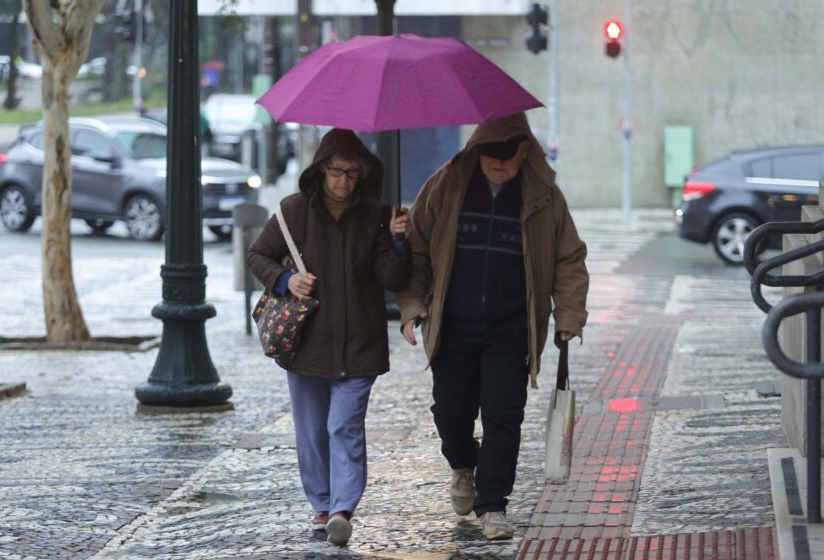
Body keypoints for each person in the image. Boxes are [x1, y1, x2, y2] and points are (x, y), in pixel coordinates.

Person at [396, 112, 589, 540]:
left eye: (508, 156)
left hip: (511, 328)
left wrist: (568, 316)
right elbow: (418, 252)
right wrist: (413, 306)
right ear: (476, 150)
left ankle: (493, 505)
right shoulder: (445, 186)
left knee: (504, 416)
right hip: (452, 324)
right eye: (490, 156)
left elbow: (569, 258)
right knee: (451, 415)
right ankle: (463, 465)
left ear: (525, 151)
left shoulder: (544, 197)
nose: (499, 164)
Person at [247, 128, 411, 547]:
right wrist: (286, 279)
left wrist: (397, 243)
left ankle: (342, 508)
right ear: (321, 171)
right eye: (337, 171)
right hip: (307, 344)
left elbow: (391, 278)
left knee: (344, 424)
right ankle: (321, 503)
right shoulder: (294, 211)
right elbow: (257, 255)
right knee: (311, 430)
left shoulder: (377, 213)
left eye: (353, 173)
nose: (345, 181)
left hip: (360, 342)